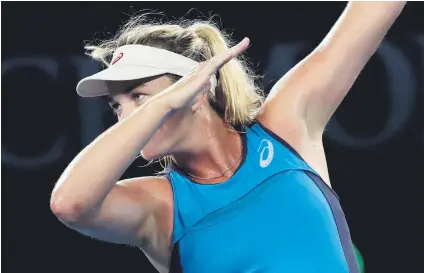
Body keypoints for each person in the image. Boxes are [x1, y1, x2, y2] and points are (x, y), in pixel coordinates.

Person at [50, 2, 405, 273]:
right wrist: (161, 104)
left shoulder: (283, 128)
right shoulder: (160, 206)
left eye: (139, 97)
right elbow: (70, 203)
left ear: (198, 91)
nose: (127, 117)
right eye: (117, 106)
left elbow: (370, 14)